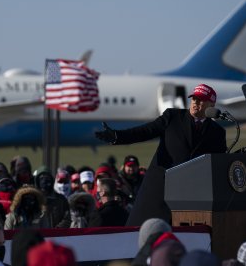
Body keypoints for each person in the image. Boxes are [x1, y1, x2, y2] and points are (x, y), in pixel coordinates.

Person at [95, 83, 227, 225]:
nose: (195, 103)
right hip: (159, 189)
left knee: (183, 236)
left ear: (211, 104)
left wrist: (241, 156)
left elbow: (218, 161)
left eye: (201, 100)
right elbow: (146, 131)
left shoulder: (217, 132)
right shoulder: (173, 117)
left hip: (190, 195)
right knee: (139, 231)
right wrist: (117, 136)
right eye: (194, 99)